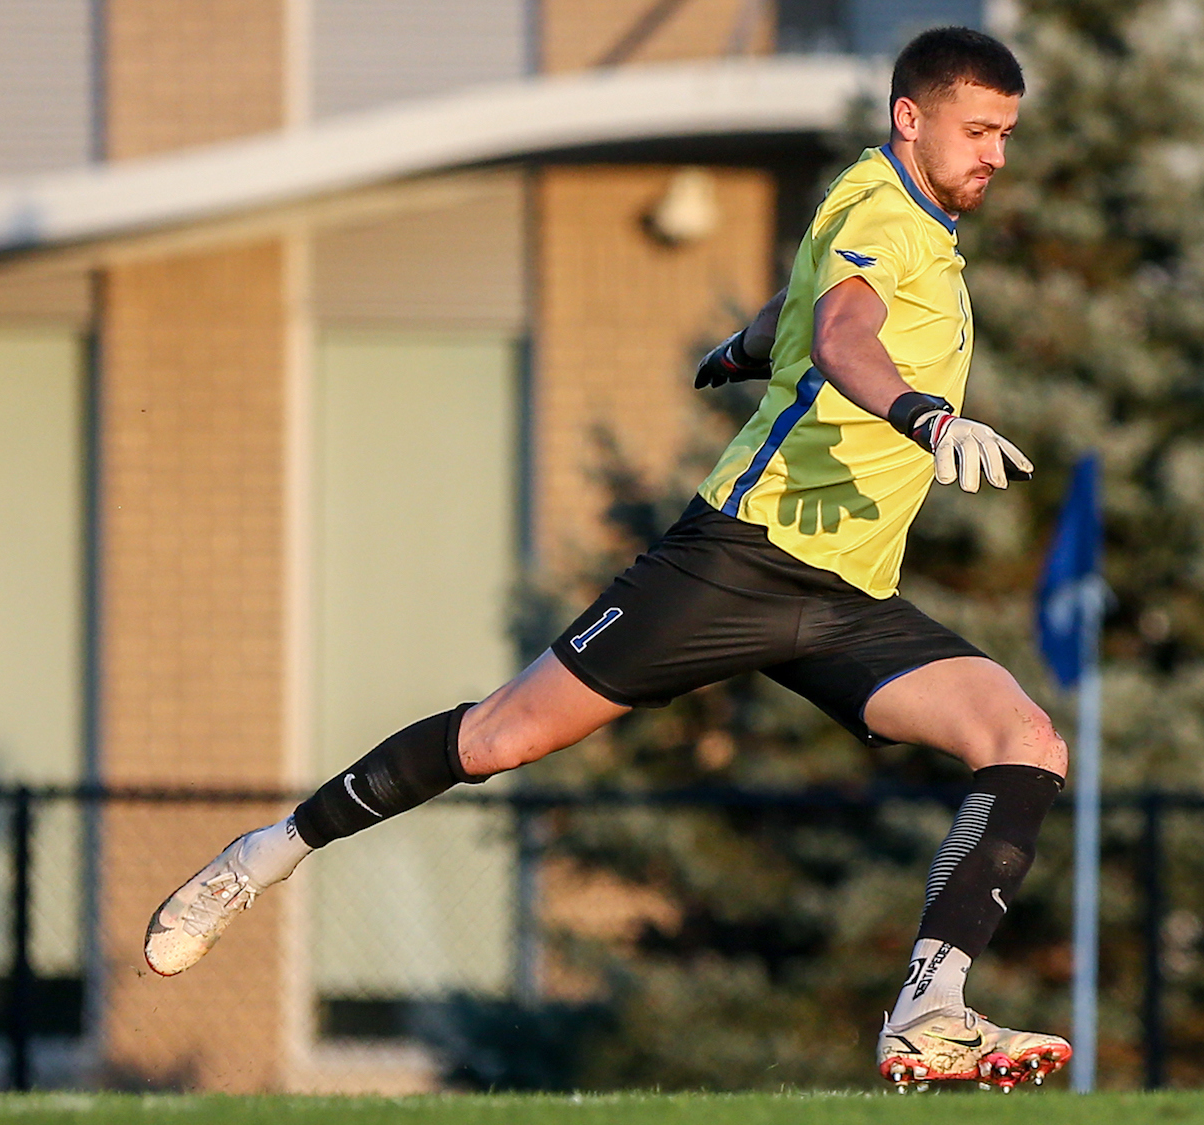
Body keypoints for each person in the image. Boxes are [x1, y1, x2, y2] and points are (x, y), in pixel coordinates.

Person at [144, 26, 1071, 1092]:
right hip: (737, 564)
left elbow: (808, 314)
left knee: (1022, 741)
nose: (995, 153)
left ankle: (928, 1011)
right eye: (978, 130)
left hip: (849, 596)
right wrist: (922, 418)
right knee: (496, 738)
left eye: (1005, 133)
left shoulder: (908, 223)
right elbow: (845, 337)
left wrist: (743, 347)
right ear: (909, 119)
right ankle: (259, 858)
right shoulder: (876, 210)